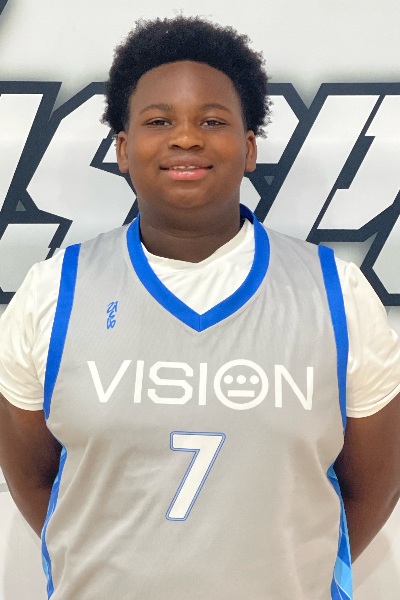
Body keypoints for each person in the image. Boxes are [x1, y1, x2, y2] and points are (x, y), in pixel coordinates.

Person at [0, 15, 400, 600]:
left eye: (212, 121)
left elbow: (371, 490)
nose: (185, 138)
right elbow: (36, 481)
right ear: (123, 149)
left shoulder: (337, 293)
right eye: (158, 121)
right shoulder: (52, 291)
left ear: (248, 147)